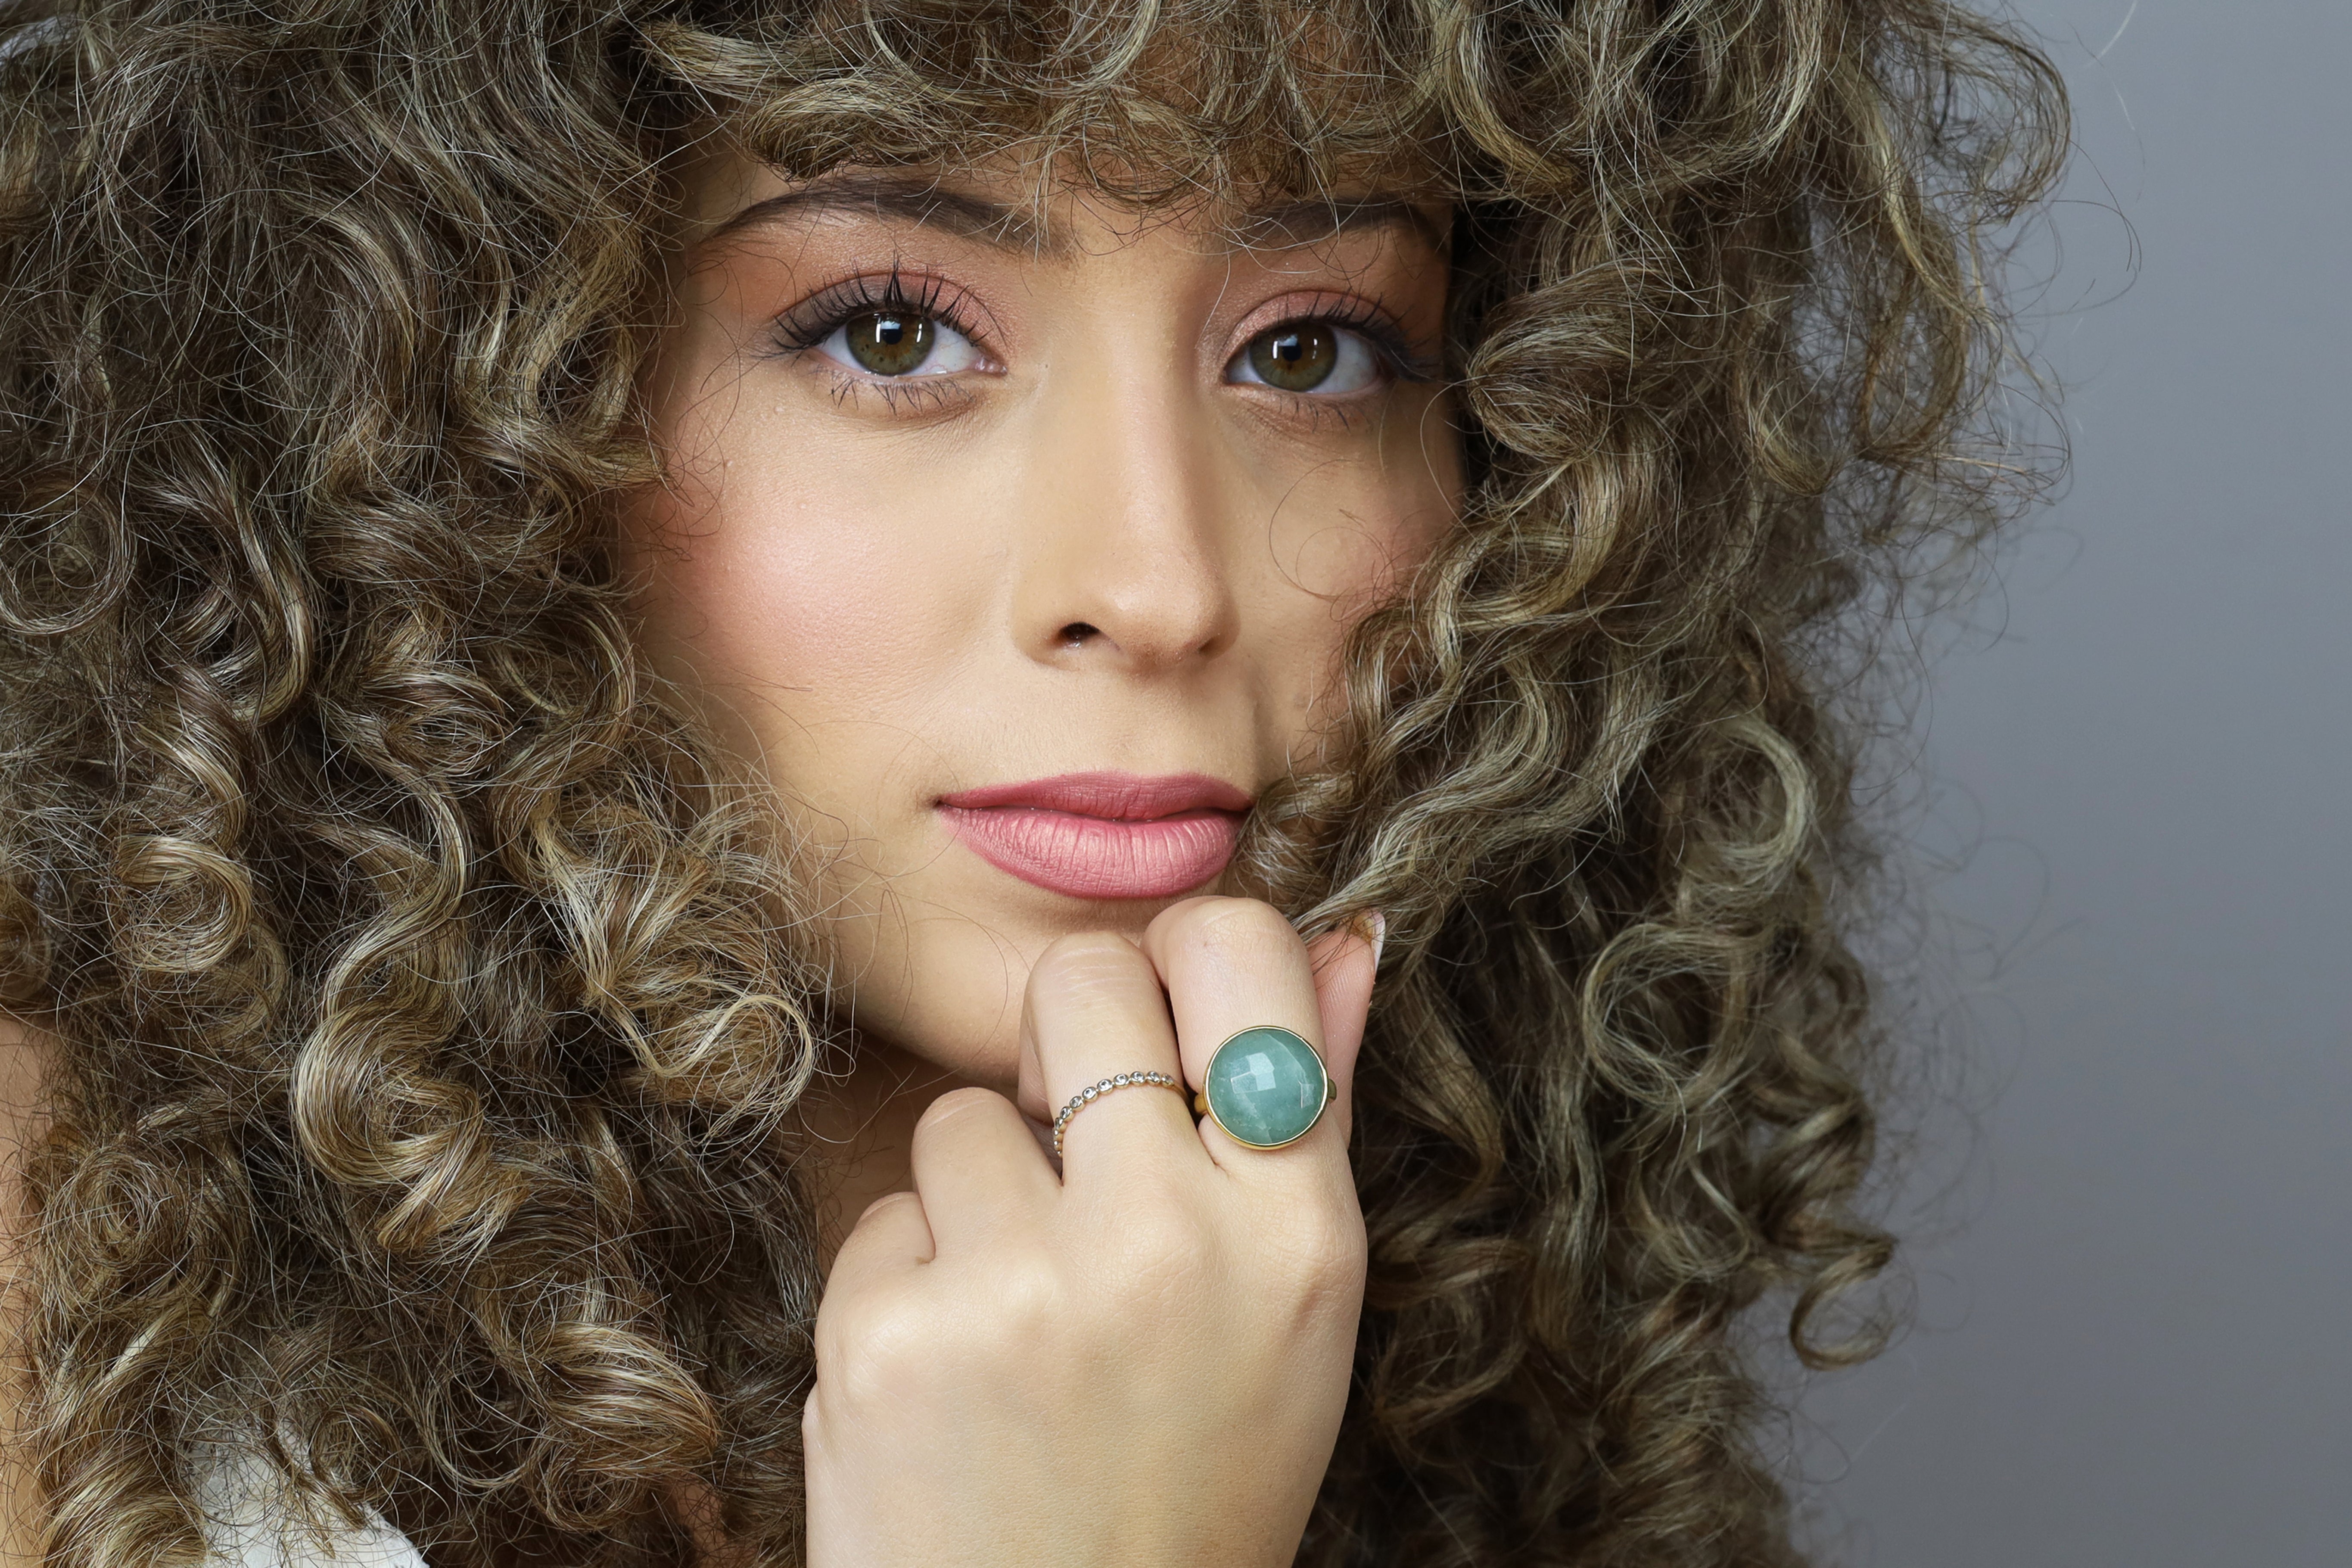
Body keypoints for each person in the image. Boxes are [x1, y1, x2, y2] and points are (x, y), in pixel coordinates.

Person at [0, 0, 2065, 1563]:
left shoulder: (1460, 1356)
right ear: (445, 395)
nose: (1158, 583)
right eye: (893, 334)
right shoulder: (57, 1268)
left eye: (1312, 350)